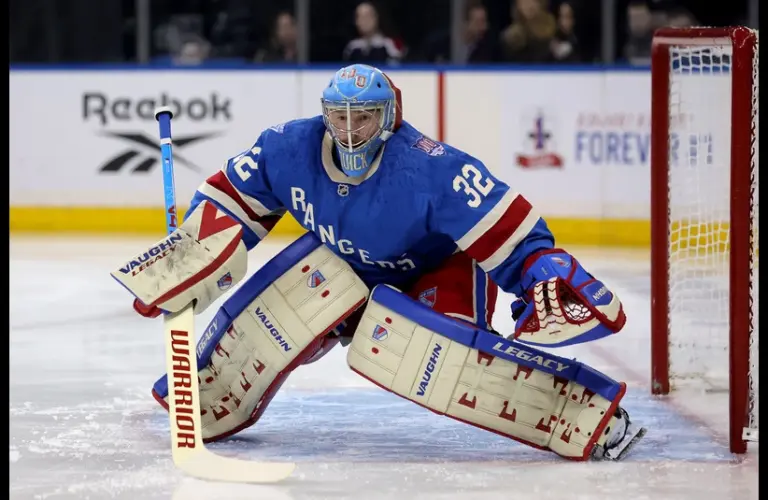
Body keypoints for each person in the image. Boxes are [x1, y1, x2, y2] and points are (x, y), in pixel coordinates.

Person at [112, 64, 645, 461]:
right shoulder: (287, 147)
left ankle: (588, 414)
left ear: (389, 116)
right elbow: (230, 202)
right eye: (336, 117)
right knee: (292, 290)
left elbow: (511, 233)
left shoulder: (431, 169)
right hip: (347, 271)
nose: (346, 131)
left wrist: (539, 270)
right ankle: (205, 393)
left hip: (437, 276)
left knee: (436, 355)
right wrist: (190, 255)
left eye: (362, 118)